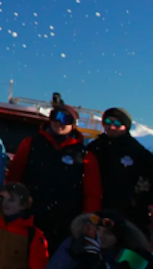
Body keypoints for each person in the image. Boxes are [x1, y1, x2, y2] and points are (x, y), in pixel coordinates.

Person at [7, 103, 103, 252]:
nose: (59, 122)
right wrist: (11, 203)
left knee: (55, 267)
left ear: (73, 124)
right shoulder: (31, 144)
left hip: (66, 220)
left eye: (66, 119)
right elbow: (15, 175)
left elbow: (92, 192)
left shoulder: (84, 155)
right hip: (30, 214)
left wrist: (87, 220)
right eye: (55, 116)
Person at [87, 107, 153, 234]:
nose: (112, 127)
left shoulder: (138, 152)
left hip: (130, 218)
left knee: (129, 252)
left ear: (126, 126)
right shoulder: (94, 148)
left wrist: (138, 200)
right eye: (108, 122)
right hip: (98, 214)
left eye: (117, 123)